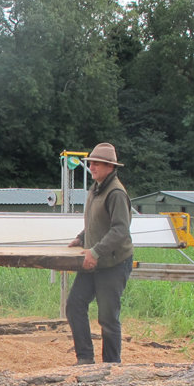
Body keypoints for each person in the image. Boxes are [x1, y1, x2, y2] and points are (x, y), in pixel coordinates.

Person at [66, 142, 134, 365]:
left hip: (113, 264)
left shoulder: (116, 193)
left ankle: (111, 366)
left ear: (109, 167)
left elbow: (120, 230)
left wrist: (94, 251)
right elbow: (97, 223)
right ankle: (85, 359)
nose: (92, 167)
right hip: (94, 261)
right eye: (91, 163)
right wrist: (81, 237)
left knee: (107, 317)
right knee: (75, 305)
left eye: (96, 163)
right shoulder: (95, 189)